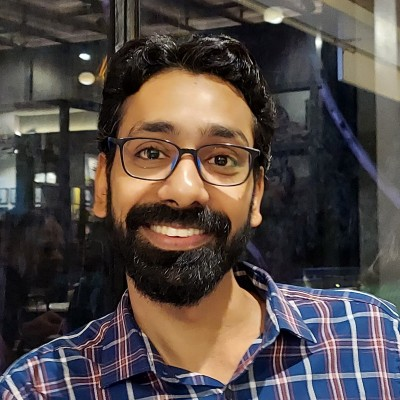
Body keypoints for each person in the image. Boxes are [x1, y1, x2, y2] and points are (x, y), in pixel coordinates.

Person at [1, 34, 399, 399]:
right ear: (103, 184)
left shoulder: (377, 342)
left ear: (256, 196)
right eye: (151, 153)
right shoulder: (38, 388)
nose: (185, 190)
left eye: (222, 159)